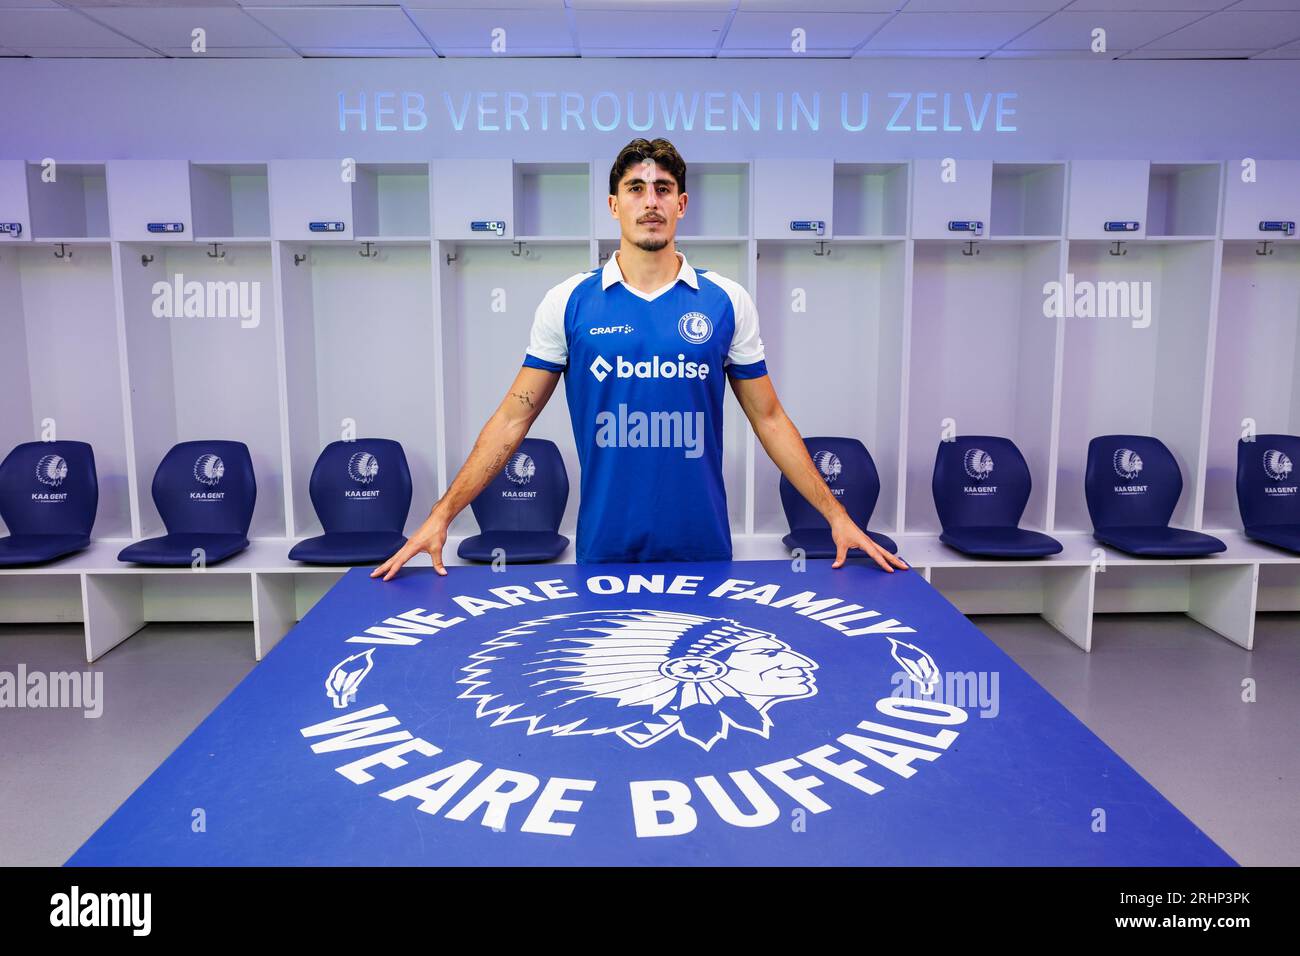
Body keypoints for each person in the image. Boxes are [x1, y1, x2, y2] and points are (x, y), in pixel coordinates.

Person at [373, 137, 908, 579]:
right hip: (606, 544)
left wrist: (836, 515)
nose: (650, 201)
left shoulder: (725, 301)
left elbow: (768, 418)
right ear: (614, 205)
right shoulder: (569, 301)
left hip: (701, 543)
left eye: (663, 189)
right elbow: (513, 418)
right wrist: (442, 515)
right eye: (635, 189)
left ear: (682, 204)